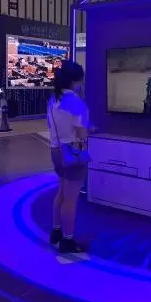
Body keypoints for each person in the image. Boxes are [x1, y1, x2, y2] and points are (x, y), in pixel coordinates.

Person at [47, 61, 88, 253]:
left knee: (61, 193)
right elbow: (81, 132)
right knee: (71, 199)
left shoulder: (53, 99)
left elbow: (51, 125)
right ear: (75, 80)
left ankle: (56, 231)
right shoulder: (76, 101)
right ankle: (67, 240)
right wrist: (87, 136)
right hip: (72, 152)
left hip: (56, 151)